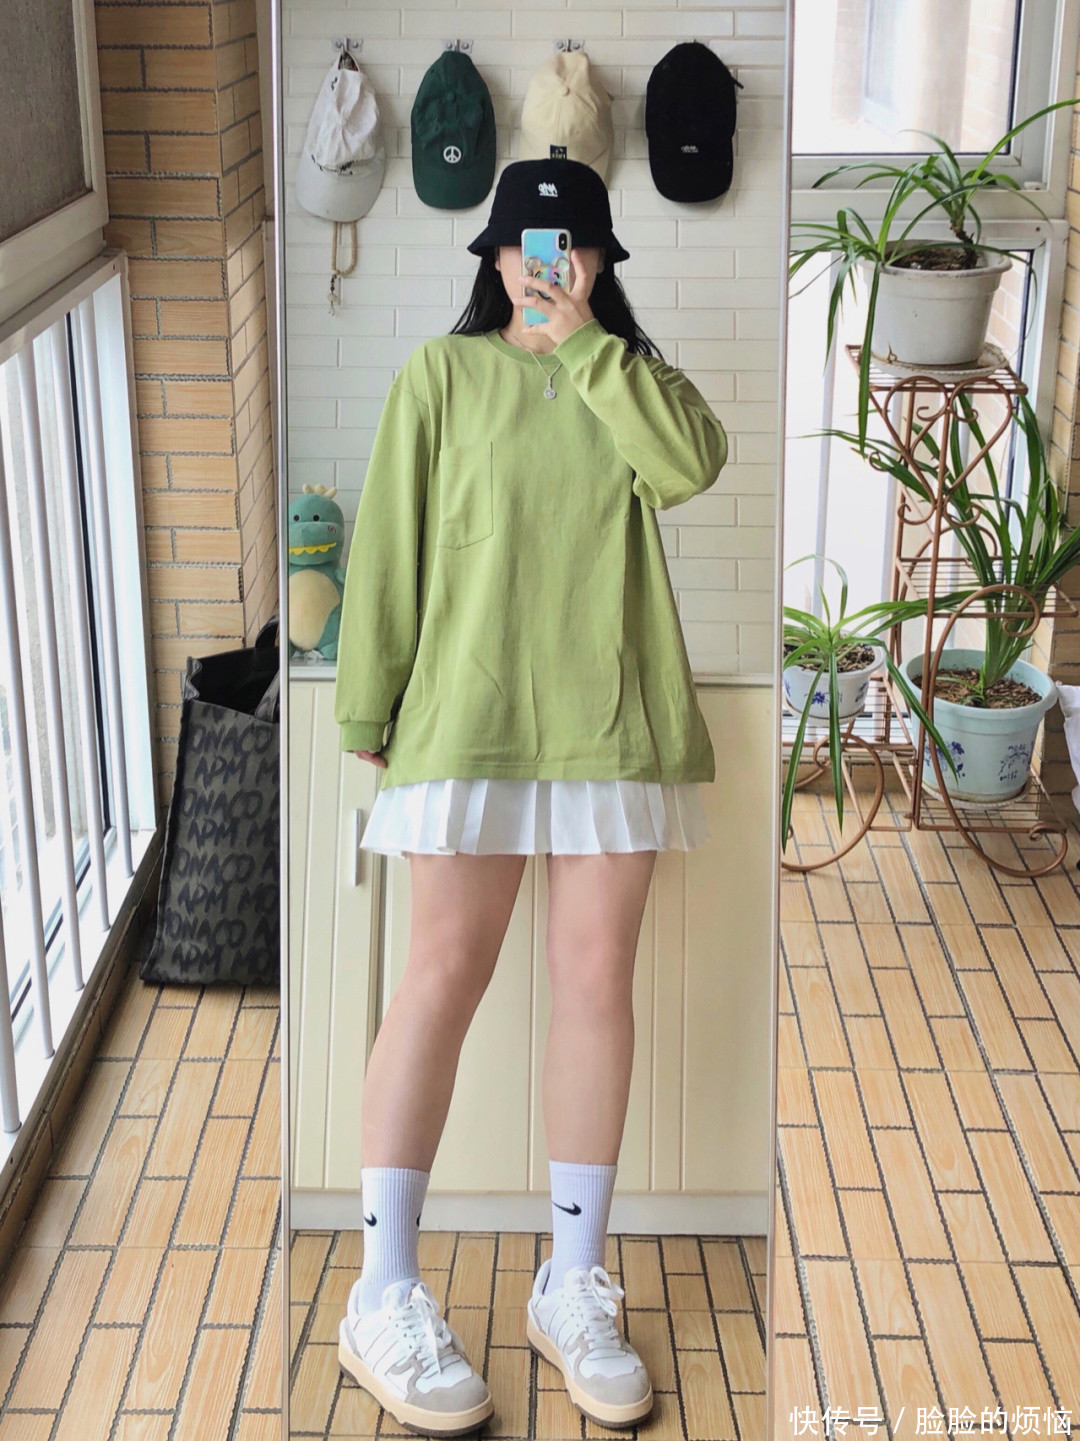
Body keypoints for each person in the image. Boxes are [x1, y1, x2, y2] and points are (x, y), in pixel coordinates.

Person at [332, 157, 727, 1435]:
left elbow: (692, 468)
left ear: (600, 261)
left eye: (570, 249)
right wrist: (366, 705)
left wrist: (593, 347)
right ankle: (383, 1291)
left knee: (595, 983)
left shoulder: (634, 384)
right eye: (524, 248)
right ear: (494, 258)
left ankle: (574, 1284)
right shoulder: (440, 377)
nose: (544, 266)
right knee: (439, 979)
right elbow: (388, 548)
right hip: (470, 717)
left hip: (609, 720)